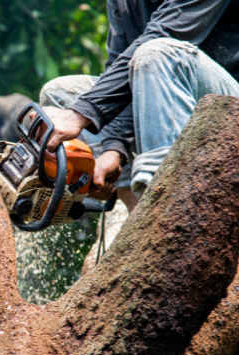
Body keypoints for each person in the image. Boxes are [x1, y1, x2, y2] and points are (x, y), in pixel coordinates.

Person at [38, 0, 239, 212]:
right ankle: (136, 214)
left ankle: (166, 208)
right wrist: (114, 148)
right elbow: (122, 70)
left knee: (156, 52)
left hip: (228, 109)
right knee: (59, 93)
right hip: (161, 94)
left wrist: (78, 116)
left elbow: (165, 34)